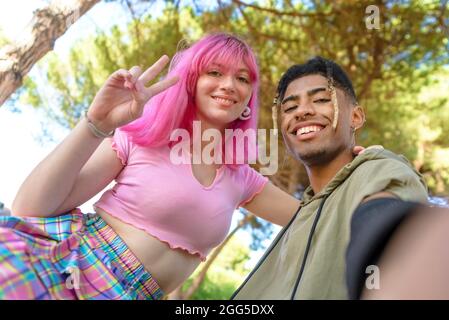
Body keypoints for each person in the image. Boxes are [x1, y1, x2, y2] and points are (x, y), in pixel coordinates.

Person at [1, 33, 307, 300]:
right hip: (72, 267)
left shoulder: (242, 178)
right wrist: (96, 124)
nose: (229, 85)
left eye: (242, 78)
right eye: (215, 72)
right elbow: (29, 208)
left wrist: (349, 165)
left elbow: (311, 217)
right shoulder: (142, 138)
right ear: (191, 80)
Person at [231, 56, 429, 300]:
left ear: (355, 117)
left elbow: (388, 227)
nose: (302, 111)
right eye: (290, 108)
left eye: (322, 99)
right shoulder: (300, 216)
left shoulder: (380, 169)